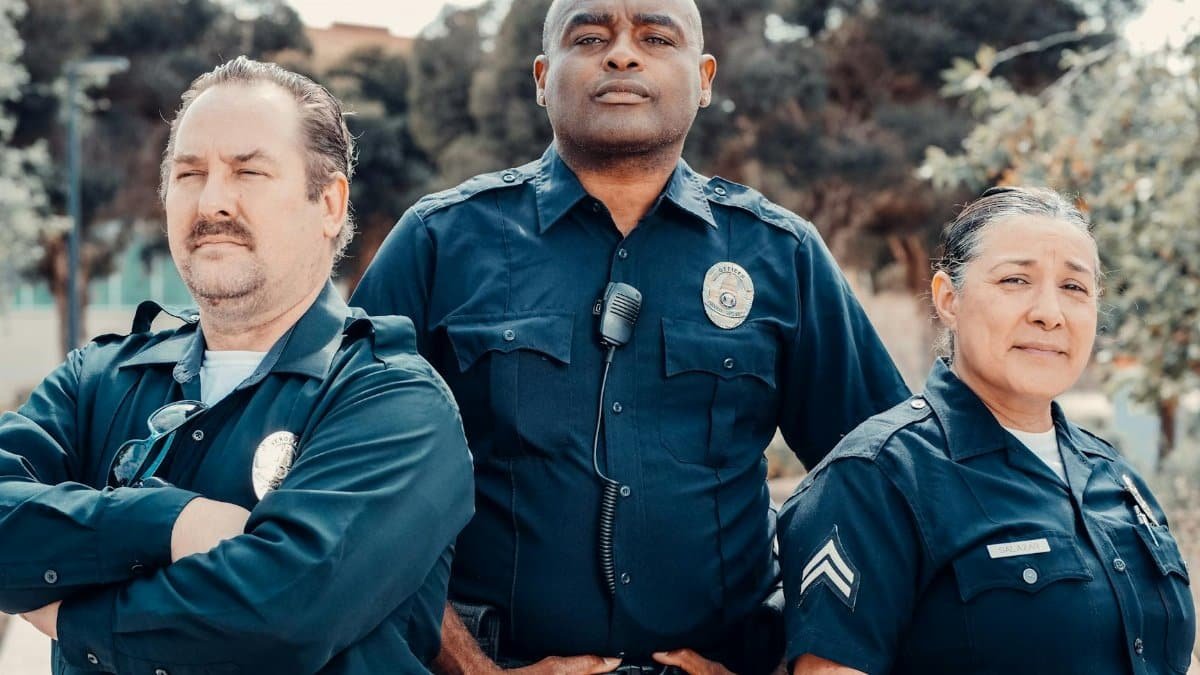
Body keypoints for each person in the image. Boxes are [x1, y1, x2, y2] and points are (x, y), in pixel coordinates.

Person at [350, 0, 909, 672]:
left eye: (654, 36)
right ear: (540, 76)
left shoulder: (780, 254)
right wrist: (469, 666)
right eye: (589, 36)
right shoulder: (440, 243)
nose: (621, 53)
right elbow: (351, 483)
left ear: (704, 79)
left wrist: (810, 653)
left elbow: (884, 482)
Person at [0, 57, 474, 674]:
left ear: (329, 203)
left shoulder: (395, 403)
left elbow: (281, 616)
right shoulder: (100, 378)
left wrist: (68, 615)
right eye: (190, 173)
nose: (212, 200)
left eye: (248, 171)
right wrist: (173, 522)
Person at [778, 187, 1197, 675]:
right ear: (948, 299)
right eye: (1016, 280)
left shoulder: (1116, 479)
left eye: (1075, 288)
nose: (1049, 312)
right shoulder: (877, 479)